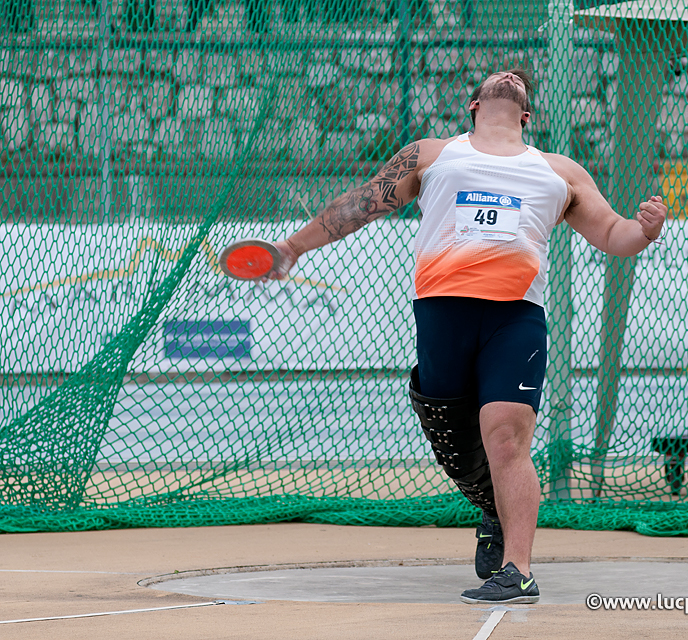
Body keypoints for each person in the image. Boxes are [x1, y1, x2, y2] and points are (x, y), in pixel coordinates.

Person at [263, 69, 667, 604]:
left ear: (527, 115)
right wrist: (292, 248)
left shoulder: (558, 171)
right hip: (442, 315)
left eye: (518, 80)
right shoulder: (430, 154)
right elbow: (362, 204)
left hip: (515, 317)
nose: (509, 76)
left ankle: (517, 571)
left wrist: (645, 229)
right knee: (451, 437)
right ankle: (492, 511)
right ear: (474, 104)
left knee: (506, 437)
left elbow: (613, 234)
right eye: (498, 78)